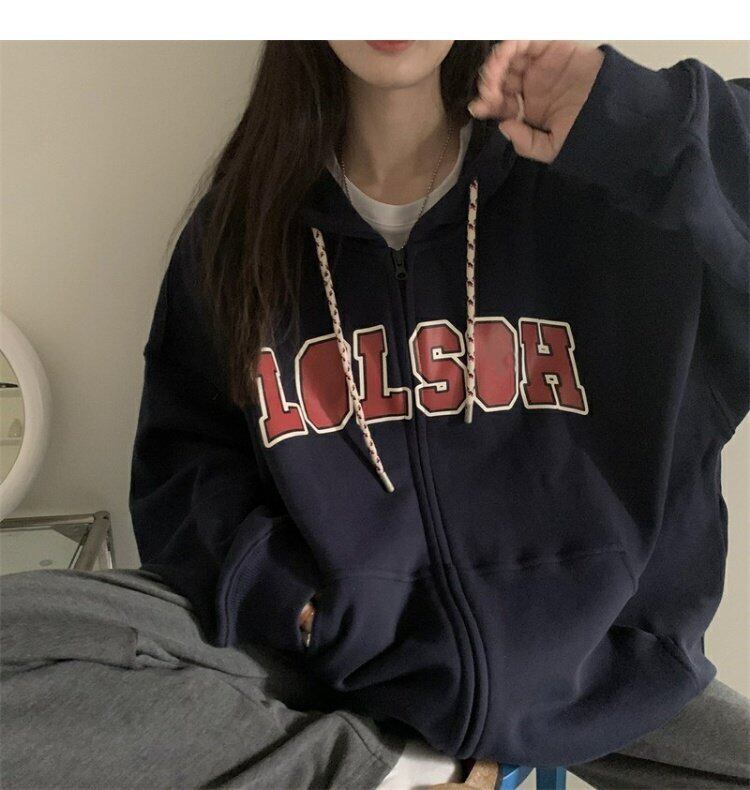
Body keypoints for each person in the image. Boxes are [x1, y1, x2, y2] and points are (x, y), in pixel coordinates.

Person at [1, 40, 748, 790]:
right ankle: (392, 769)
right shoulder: (239, 229)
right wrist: (297, 604)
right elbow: (188, 465)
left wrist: (630, 117)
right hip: (342, 676)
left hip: (607, 671)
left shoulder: (608, 180)